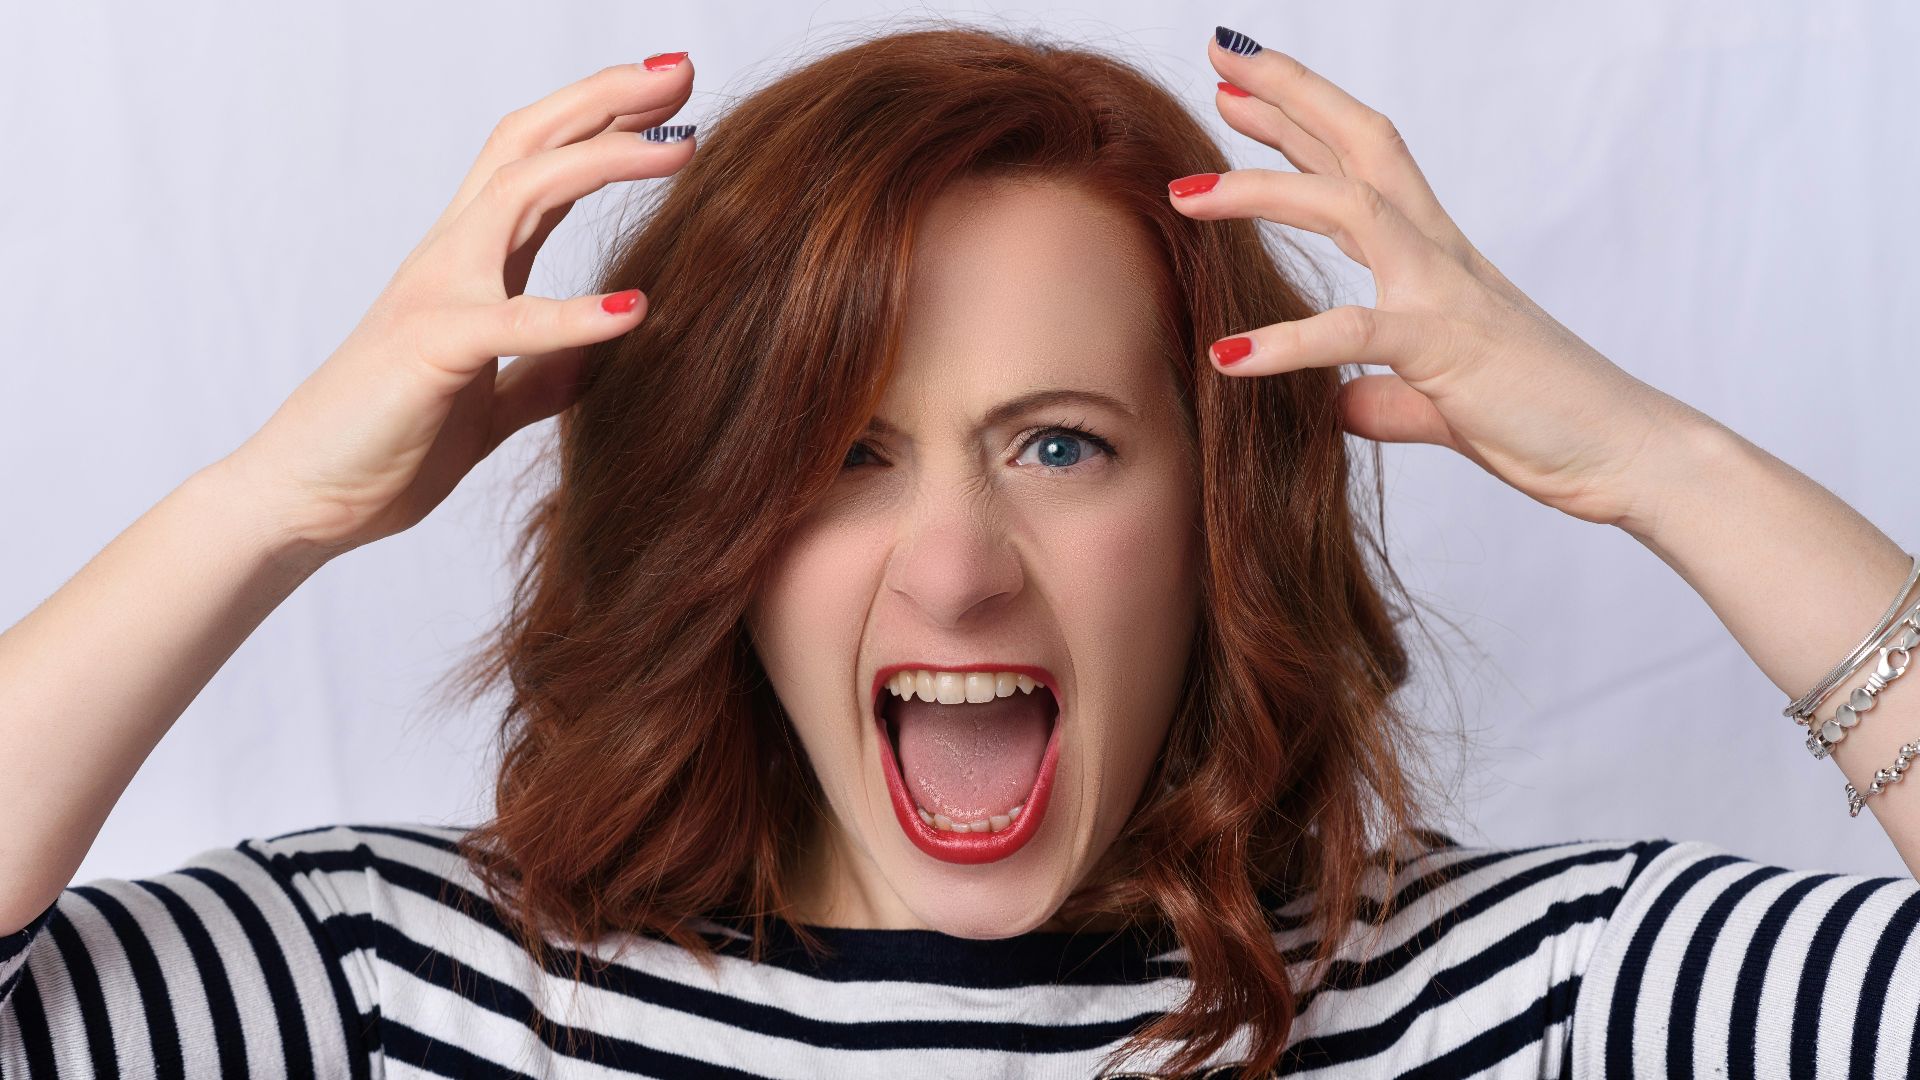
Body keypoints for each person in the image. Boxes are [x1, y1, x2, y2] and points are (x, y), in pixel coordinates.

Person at [2, 21, 1916, 1080]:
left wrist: (1667, 463)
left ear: (1217, 511)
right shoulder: (382, 988)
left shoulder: (1550, 1001)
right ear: (718, 532)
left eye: (1062, 445)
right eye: (839, 458)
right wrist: (265, 504)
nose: (956, 565)